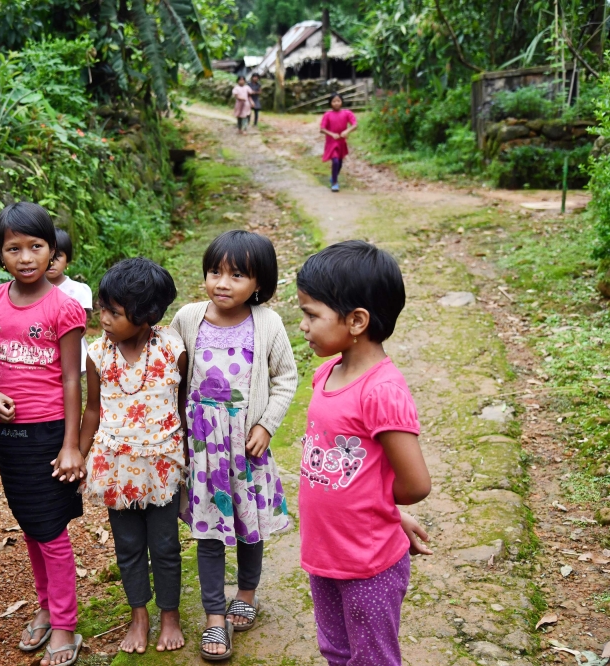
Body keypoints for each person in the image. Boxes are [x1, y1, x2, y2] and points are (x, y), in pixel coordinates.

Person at [296, 240, 432, 666]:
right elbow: (361, 472)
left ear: (356, 321)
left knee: (372, 657)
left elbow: (415, 483)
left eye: (311, 314)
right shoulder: (327, 372)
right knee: (336, 650)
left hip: (368, 565)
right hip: (326, 554)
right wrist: (386, 509)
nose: (302, 325)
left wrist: (385, 508)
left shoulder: (382, 392)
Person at [171, 230, 296, 662]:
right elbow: (172, 374)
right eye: (214, 272)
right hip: (204, 452)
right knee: (207, 531)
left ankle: (246, 591)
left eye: (237, 275)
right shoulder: (188, 319)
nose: (222, 283)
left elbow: (285, 378)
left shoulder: (268, 323)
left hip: (247, 450)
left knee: (249, 524)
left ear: (259, 283)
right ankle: (213, 616)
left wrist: (265, 424)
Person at [0, 202, 88, 666]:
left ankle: (65, 624)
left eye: (35, 247)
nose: (25, 257)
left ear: (52, 251)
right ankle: (45, 607)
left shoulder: (64, 307)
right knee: (29, 524)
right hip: (10, 434)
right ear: (0, 254)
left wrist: (71, 444)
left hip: (48, 433)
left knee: (51, 531)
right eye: (14, 248)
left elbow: (71, 378)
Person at [79, 258, 187, 655]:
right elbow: (93, 409)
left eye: (114, 312)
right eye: (101, 308)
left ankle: (170, 614)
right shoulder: (97, 355)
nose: (103, 318)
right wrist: (79, 451)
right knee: (127, 546)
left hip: (163, 467)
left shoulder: (173, 348)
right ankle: (139, 614)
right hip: (116, 466)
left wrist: (190, 459)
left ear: (148, 316)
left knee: (164, 545)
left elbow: (182, 405)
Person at [47, 228, 93, 374]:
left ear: (68, 259)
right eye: (47, 256)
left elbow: (83, 324)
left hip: (71, 349)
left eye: (58, 256)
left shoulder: (78, 290)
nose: (52, 262)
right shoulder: (31, 290)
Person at [319, 93, 357, 192]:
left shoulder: (347, 113)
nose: (336, 103)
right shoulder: (327, 115)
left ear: (341, 102)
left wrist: (347, 131)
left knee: (339, 163)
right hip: (331, 142)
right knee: (335, 161)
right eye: (334, 101)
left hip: (341, 142)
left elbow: (354, 124)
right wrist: (332, 134)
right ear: (330, 103)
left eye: (338, 101)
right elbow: (322, 129)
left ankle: (333, 176)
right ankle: (335, 183)